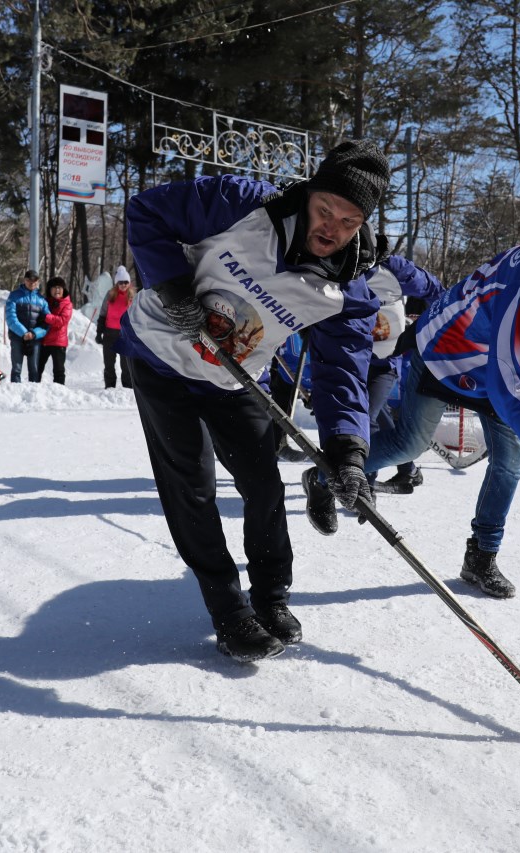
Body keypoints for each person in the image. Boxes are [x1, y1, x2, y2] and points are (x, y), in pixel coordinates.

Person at [119, 138, 390, 661]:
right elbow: (147, 210)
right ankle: (228, 609)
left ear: (363, 225)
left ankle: (271, 596)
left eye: (349, 221)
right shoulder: (240, 205)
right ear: (309, 194)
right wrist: (174, 288)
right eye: (324, 209)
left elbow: (342, 370)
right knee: (191, 485)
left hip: (234, 377)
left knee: (263, 485)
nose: (330, 229)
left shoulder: (347, 289)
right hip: (160, 355)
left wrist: (350, 450)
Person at [311, 185, 520, 600]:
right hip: (448, 353)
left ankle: (481, 556)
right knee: (410, 444)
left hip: (501, 365)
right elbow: (509, 374)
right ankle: (327, 475)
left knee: (508, 463)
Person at [360, 239, 444, 494]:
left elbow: (436, 290)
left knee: (366, 418)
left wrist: (431, 326)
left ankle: (366, 484)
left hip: (385, 361)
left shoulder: (394, 268)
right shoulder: (328, 267)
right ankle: (408, 471)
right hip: (351, 359)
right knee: (377, 412)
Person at [6, 269, 48, 383]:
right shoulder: (14, 296)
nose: (32, 283)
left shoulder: (42, 300)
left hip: (34, 338)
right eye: (29, 280)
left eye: (35, 281)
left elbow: (46, 322)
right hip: (17, 336)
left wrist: (34, 334)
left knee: (34, 369)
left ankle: (33, 395)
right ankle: (14, 392)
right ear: (24, 280)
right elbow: (10, 317)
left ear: (38, 282)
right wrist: (23, 333)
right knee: (16, 369)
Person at [96, 265, 135, 388]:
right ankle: (110, 388)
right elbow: (103, 314)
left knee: (126, 365)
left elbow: (137, 316)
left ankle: (127, 388)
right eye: (120, 282)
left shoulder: (132, 297)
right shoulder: (110, 295)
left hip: (125, 335)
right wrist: (99, 332)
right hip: (110, 334)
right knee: (109, 364)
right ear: (116, 283)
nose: (123, 285)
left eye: (126, 282)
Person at [38, 277, 72, 384]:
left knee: (58, 370)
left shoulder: (67, 304)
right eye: (54, 287)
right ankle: (34, 388)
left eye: (59, 287)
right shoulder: (45, 302)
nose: (57, 290)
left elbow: (62, 320)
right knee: (37, 367)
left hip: (58, 342)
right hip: (44, 340)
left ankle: (59, 392)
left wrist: (46, 317)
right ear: (49, 289)